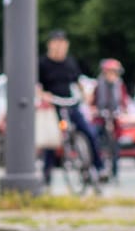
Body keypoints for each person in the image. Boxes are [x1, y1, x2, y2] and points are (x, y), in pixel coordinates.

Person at [37, 30, 103, 184]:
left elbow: (78, 80)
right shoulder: (42, 63)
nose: (60, 47)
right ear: (50, 45)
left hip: (70, 102)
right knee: (52, 140)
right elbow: (37, 86)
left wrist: (85, 94)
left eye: (63, 44)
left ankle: (98, 167)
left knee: (88, 131)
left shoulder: (70, 62)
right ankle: (47, 174)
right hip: (54, 105)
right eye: (57, 43)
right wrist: (43, 95)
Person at [92, 58, 129, 181]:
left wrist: (123, 111)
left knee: (116, 144)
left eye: (114, 72)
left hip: (115, 117)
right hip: (101, 117)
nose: (111, 75)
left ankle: (115, 171)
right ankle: (99, 167)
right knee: (96, 136)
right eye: (109, 72)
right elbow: (93, 102)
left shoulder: (120, 85)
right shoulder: (99, 85)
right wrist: (95, 110)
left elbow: (124, 102)